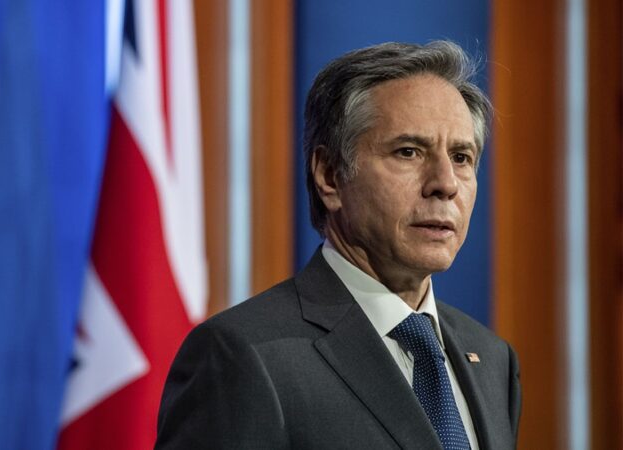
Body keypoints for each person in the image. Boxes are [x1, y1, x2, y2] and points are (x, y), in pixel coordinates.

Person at [155, 41, 521, 450]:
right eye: (408, 152)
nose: (446, 183)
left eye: (461, 157)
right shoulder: (243, 356)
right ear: (330, 176)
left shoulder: (491, 360)